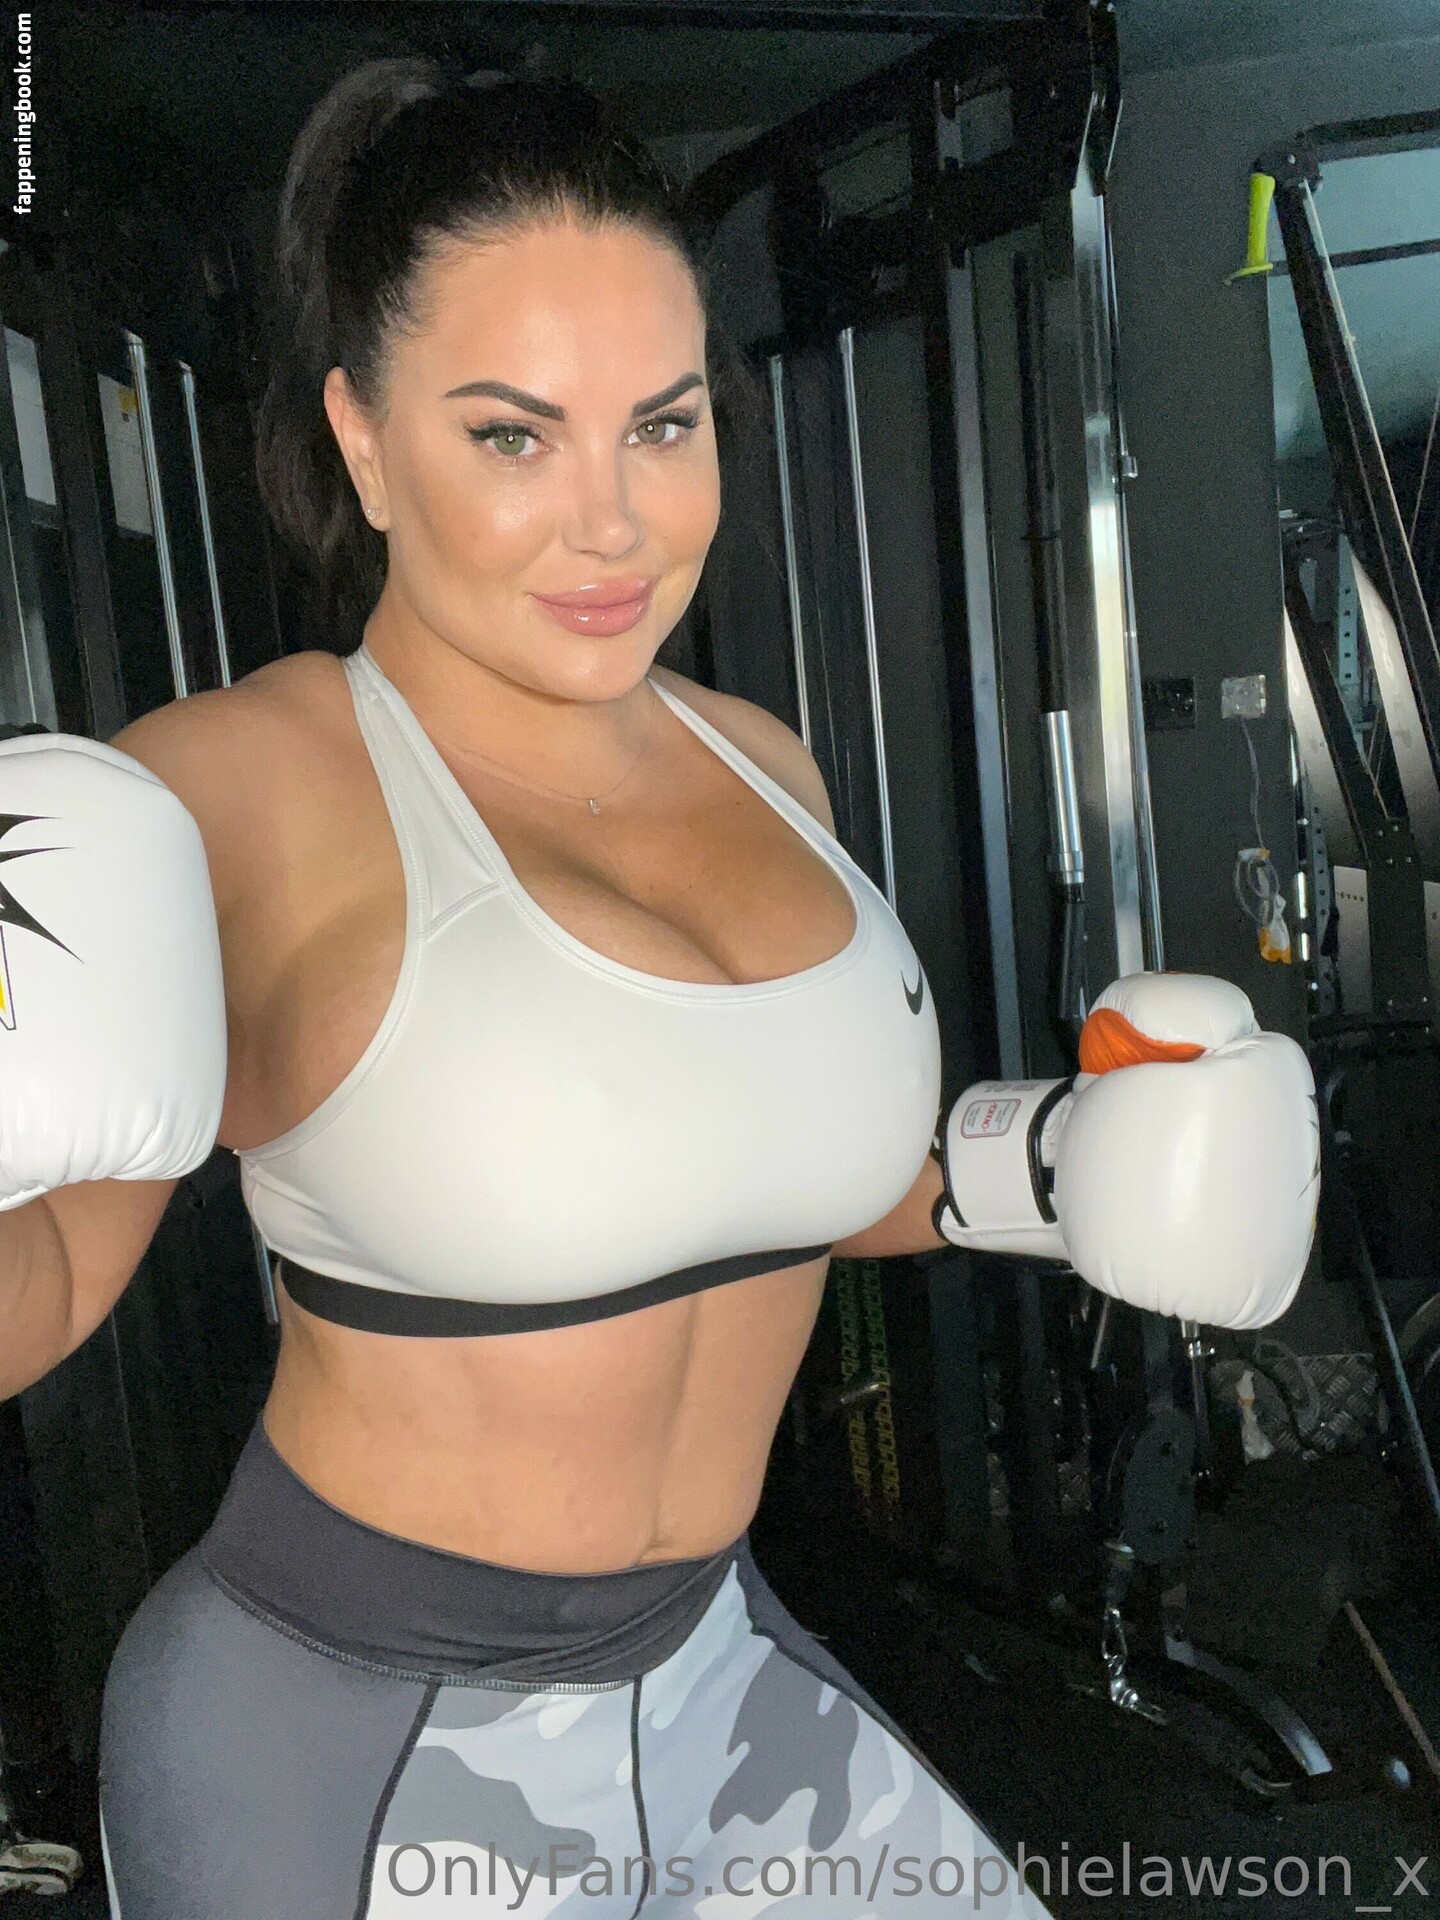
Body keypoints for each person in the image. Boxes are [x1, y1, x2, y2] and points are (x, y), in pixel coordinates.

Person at [0, 59, 1316, 1920]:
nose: (613, 525)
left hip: (714, 1671)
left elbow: (786, 1180)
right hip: (344, 1732)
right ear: (365, 440)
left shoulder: (762, 763)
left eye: (664, 424)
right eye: (513, 437)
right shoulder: (237, 791)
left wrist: (1052, 1166)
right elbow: (49, 1281)